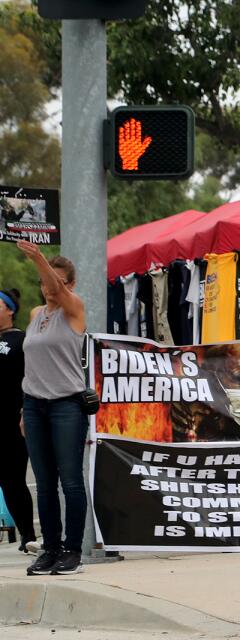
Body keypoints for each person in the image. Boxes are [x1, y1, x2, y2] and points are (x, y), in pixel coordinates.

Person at [16, 242, 88, 576]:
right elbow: (32, 365)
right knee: (44, 483)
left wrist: (38, 258)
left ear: (69, 285)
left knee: (70, 481)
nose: (48, 287)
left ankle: (72, 551)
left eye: (55, 282)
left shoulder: (74, 308)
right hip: (34, 404)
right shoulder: (35, 314)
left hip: (66, 405)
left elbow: (57, 289)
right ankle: (50, 549)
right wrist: (23, 409)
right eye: (43, 281)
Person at [1, 287, 38, 554]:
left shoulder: (21, 341)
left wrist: (26, 411)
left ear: (10, 310)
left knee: (13, 480)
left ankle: (28, 535)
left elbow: (32, 378)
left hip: (13, 423)